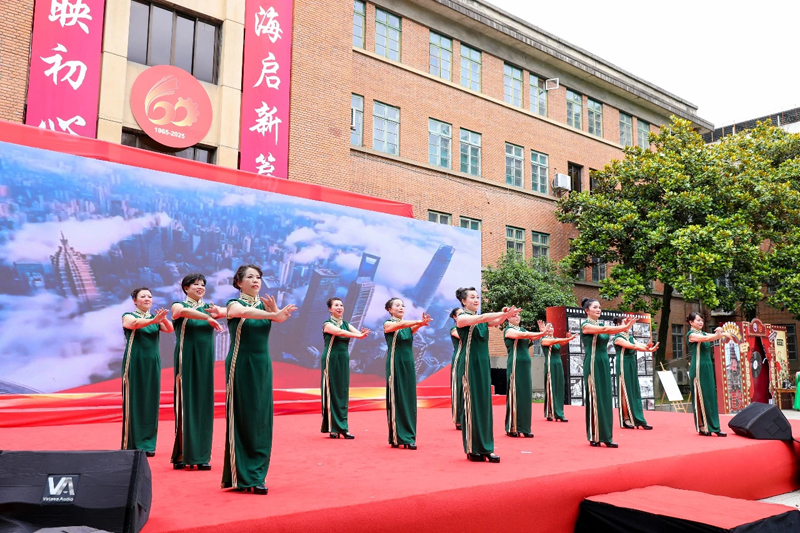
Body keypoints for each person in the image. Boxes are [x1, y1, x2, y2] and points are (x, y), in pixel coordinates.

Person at [221, 265, 297, 495]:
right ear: (238, 283)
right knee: (243, 415)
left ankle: (257, 474)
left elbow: (278, 319)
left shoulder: (264, 306)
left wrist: (275, 313)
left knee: (261, 417)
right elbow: (245, 313)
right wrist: (273, 314)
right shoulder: (233, 304)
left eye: (258, 277)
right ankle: (242, 476)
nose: (256, 280)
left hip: (263, 364)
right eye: (250, 277)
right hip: (241, 363)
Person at [455, 287, 520, 463]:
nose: (476, 300)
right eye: (472, 297)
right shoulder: (462, 318)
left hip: (483, 364)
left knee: (484, 406)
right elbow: (483, 318)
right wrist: (503, 313)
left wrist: (506, 315)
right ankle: (472, 448)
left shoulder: (482, 320)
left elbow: (495, 320)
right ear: (463, 301)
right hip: (469, 364)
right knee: (472, 405)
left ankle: (486, 448)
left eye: (477, 297)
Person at [170, 273, 226, 471]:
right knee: (185, 404)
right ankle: (182, 453)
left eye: (203, 284)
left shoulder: (211, 308)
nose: (200, 287)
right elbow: (181, 312)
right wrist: (207, 317)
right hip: (186, 360)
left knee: (203, 404)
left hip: (205, 362)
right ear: (186, 288)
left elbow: (231, 311)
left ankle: (201, 455)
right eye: (195, 284)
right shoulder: (178, 305)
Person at [121, 287, 174, 457]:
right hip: (134, 362)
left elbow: (170, 329)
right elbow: (134, 324)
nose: (147, 299)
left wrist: (162, 319)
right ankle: (133, 443)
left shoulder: (155, 318)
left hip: (152, 363)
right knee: (135, 401)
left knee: (151, 401)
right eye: (142, 296)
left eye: (149, 296)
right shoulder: (128, 316)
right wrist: (154, 320)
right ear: (135, 300)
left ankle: (148, 444)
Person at [580, 298, 636, 448]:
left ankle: (606, 436)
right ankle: (594, 435)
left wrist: (625, 327)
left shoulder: (600, 324)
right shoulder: (585, 325)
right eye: (595, 307)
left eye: (599, 307)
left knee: (605, 399)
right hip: (593, 363)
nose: (599, 309)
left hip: (604, 362)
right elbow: (605, 330)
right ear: (587, 310)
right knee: (595, 398)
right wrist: (624, 326)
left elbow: (605, 329)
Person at [383, 298, 432, 449]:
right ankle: (397, 436)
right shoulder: (388, 324)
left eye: (402, 305)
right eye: (397, 305)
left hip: (408, 363)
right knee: (397, 397)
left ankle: (409, 436)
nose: (401, 307)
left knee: (409, 398)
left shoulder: (407, 327)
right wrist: (418, 321)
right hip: (395, 363)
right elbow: (401, 325)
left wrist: (421, 324)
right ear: (389, 309)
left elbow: (409, 329)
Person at [322, 297, 369, 439]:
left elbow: (357, 333)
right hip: (331, 359)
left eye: (341, 305)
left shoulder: (346, 324)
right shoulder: (327, 324)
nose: (339, 307)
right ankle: (332, 427)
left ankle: (342, 427)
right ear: (330, 309)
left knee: (342, 391)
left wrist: (362, 334)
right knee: (332, 391)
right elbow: (340, 333)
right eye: (336, 305)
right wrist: (358, 336)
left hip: (343, 359)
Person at [503, 316, 552, 438]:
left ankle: (524, 428)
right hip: (515, 364)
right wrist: (542, 333)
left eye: (518, 315)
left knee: (525, 395)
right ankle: (512, 427)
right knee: (516, 393)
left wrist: (542, 333)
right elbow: (523, 335)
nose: (517, 317)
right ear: (508, 318)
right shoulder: (508, 330)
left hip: (526, 365)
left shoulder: (523, 329)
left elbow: (533, 337)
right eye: (514, 315)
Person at [687, 312, 732, 437]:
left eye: (701, 320)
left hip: (707, 367)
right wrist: (720, 334)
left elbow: (711, 336)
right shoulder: (691, 335)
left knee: (710, 396)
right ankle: (703, 426)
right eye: (698, 320)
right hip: (698, 368)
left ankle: (713, 426)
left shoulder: (703, 333)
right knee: (701, 397)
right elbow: (708, 338)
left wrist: (723, 333)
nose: (701, 322)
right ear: (691, 322)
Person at [612, 317, 659, 430]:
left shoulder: (630, 337)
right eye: (625, 322)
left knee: (634, 390)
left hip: (631, 363)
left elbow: (639, 344)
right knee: (625, 391)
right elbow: (632, 346)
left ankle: (637, 419)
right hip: (623, 364)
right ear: (618, 324)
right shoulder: (618, 338)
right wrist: (647, 349)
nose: (628, 324)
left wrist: (648, 348)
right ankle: (626, 419)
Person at [539, 320, 576, 422]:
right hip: (550, 365)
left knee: (559, 388)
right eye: (548, 327)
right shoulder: (544, 339)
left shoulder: (556, 339)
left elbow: (563, 342)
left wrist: (568, 338)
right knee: (551, 387)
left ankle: (556, 411)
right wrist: (566, 338)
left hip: (558, 364)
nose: (550, 329)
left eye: (551, 327)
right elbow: (554, 342)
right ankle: (554, 413)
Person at [449, 307, 464, 430]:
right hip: (459, 359)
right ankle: (458, 419)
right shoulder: (454, 329)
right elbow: (464, 337)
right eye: (460, 314)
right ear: (454, 317)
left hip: (470, 359)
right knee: (459, 387)